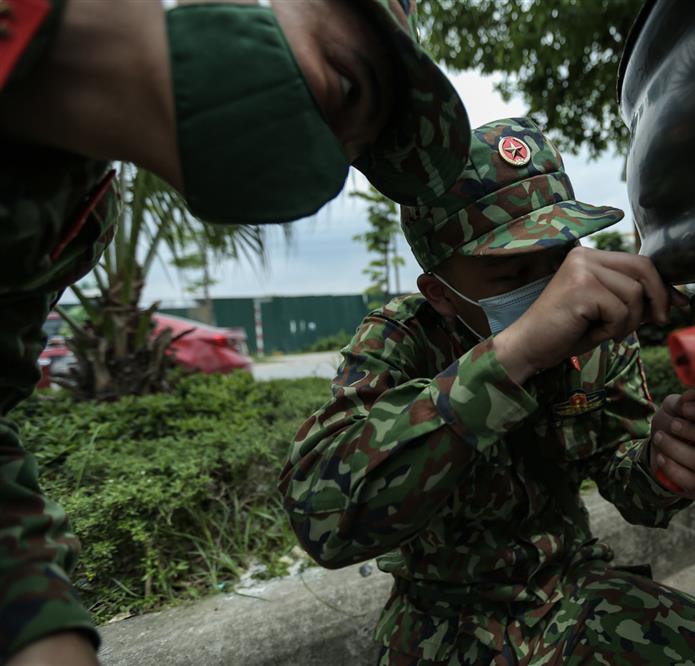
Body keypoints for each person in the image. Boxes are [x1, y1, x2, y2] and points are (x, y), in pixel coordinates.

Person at [0, 0, 470, 663]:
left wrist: (44, 629)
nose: (322, 162)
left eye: (351, 152)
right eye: (343, 85)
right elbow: (327, 507)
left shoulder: (67, 217)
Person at [280, 118, 695, 664]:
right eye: (513, 274)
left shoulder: (599, 335)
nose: (558, 291)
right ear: (440, 293)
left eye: (561, 258)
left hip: (573, 594)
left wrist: (668, 464)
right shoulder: (402, 338)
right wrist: (517, 352)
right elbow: (324, 521)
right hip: (441, 624)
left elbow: (626, 483)